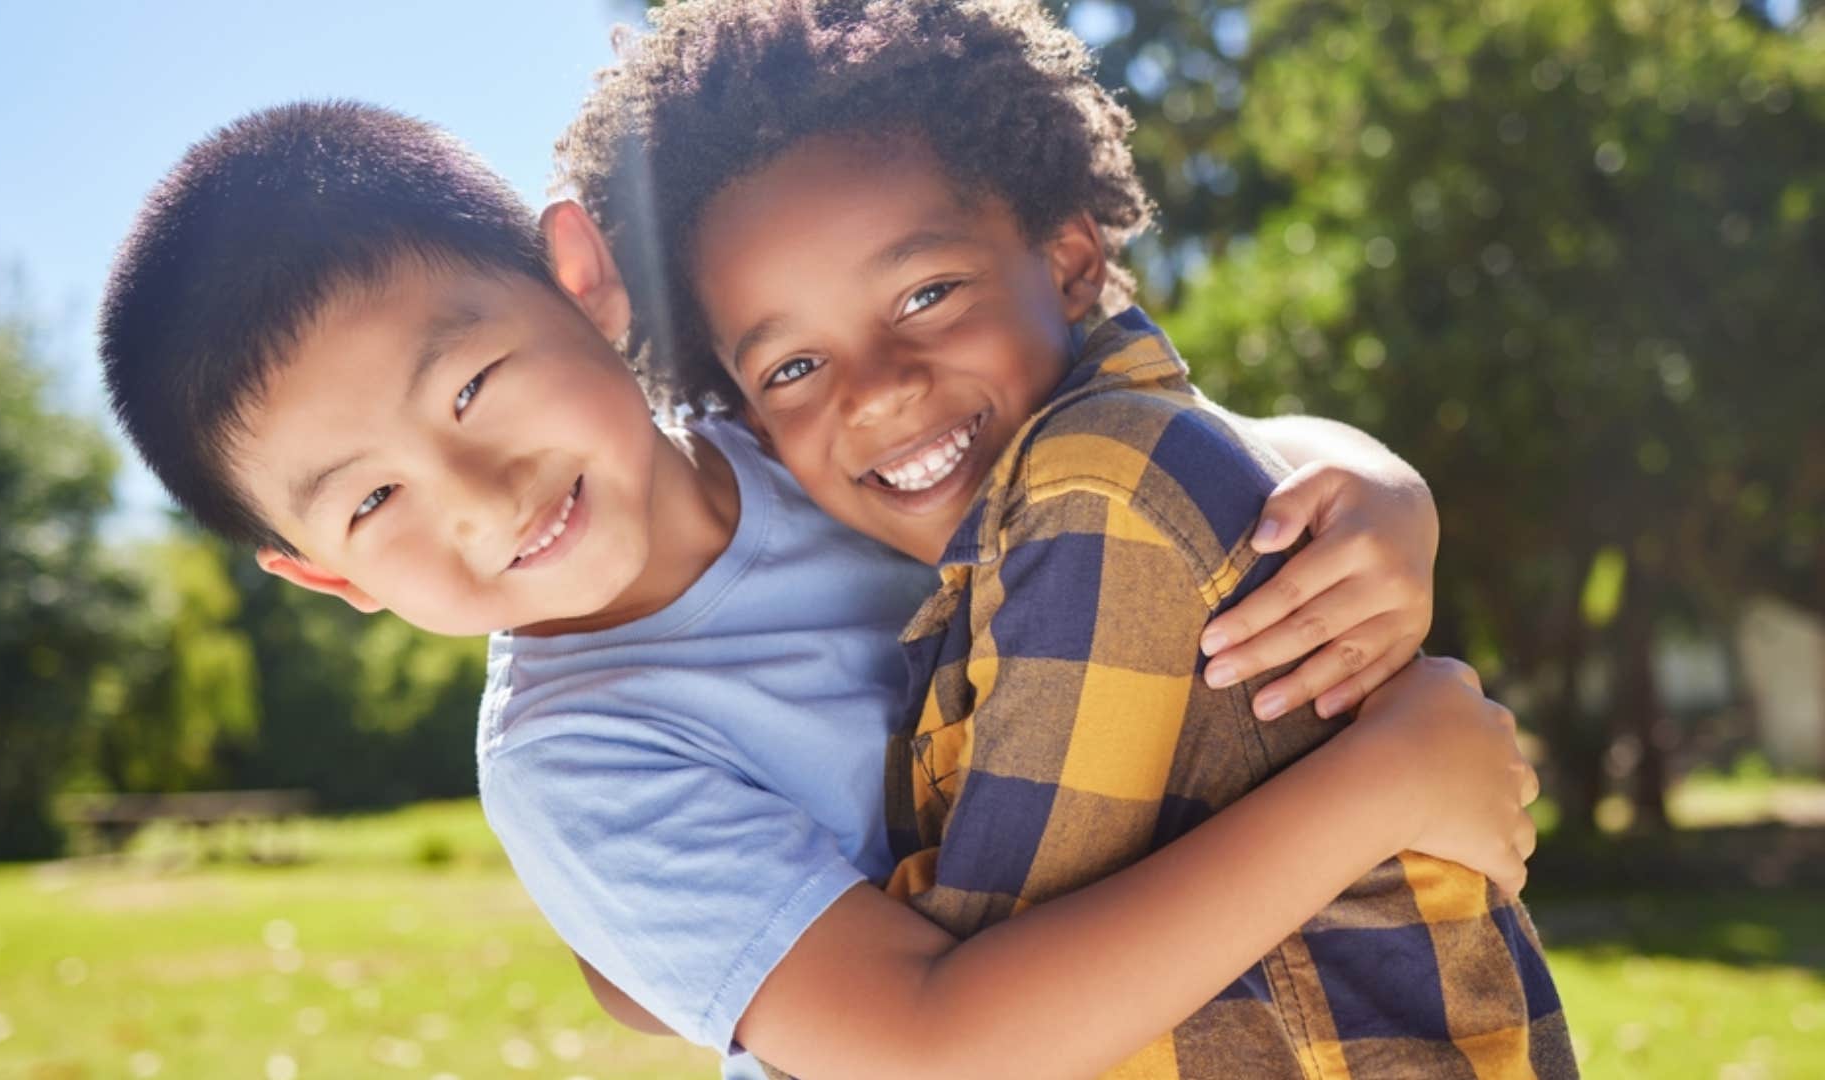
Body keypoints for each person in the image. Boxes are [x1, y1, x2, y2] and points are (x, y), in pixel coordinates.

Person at [100, 99, 1538, 1080]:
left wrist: (1365, 482)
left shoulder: (818, 424)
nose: (479, 498)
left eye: (473, 386)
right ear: (322, 574)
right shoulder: (577, 758)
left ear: (582, 280)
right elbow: (929, 1050)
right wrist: (1377, 787)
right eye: (371, 500)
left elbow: (1127, 459)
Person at [558, 1, 1574, 1076]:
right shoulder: (1027, 515)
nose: (880, 392)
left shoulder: (1095, 500)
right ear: (752, 421)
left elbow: (981, 1009)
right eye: (793, 369)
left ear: (1073, 260)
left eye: (928, 292)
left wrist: (703, 956)